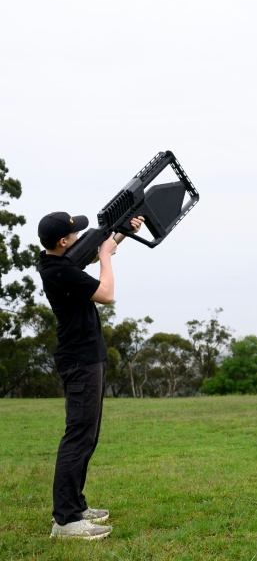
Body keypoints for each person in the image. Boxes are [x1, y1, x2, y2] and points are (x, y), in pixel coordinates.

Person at [37, 210, 144, 540]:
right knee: (78, 437)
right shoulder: (61, 272)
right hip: (80, 362)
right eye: (74, 234)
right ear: (63, 242)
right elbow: (107, 294)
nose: (79, 236)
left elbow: (94, 247)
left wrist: (121, 232)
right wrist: (106, 258)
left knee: (88, 436)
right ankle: (66, 520)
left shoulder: (57, 263)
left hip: (86, 358)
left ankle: (76, 505)